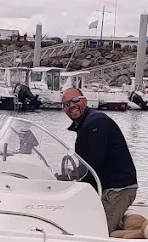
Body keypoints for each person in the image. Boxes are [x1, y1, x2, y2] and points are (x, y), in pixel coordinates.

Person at [60, 86, 139, 232]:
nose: (71, 105)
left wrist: (73, 180)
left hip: (117, 190)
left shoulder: (96, 122)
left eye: (75, 100)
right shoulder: (86, 124)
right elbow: (87, 164)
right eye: (66, 104)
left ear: (85, 100)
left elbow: (94, 162)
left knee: (98, 232)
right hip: (105, 188)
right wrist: (64, 178)